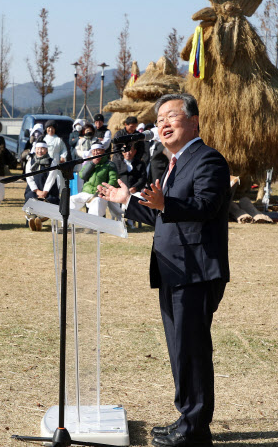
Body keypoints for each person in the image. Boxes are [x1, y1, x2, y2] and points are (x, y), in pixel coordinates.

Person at [97, 93, 230, 447]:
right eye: (159, 121)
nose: (164, 124)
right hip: (173, 269)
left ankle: (195, 430)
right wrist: (126, 201)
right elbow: (161, 214)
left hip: (197, 271)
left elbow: (205, 205)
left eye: (172, 116)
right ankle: (186, 418)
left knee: (193, 349)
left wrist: (164, 202)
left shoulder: (208, 160)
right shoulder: (174, 163)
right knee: (179, 348)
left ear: (195, 121)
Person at [69, 143, 119, 217]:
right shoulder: (89, 163)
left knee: (97, 202)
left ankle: (93, 226)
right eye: (93, 151)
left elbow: (113, 180)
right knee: (71, 199)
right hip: (87, 192)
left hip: (101, 193)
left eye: (98, 150)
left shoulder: (110, 164)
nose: (96, 153)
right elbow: (82, 176)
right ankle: (66, 223)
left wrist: (104, 189)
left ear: (103, 151)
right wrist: (92, 164)